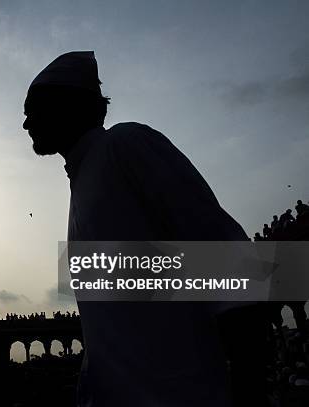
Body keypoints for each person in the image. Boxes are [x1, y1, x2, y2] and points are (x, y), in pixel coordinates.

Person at [23, 51, 267, 407]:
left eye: (34, 110)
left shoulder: (124, 146)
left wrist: (250, 391)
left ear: (69, 104)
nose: (27, 124)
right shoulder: (83, 182)